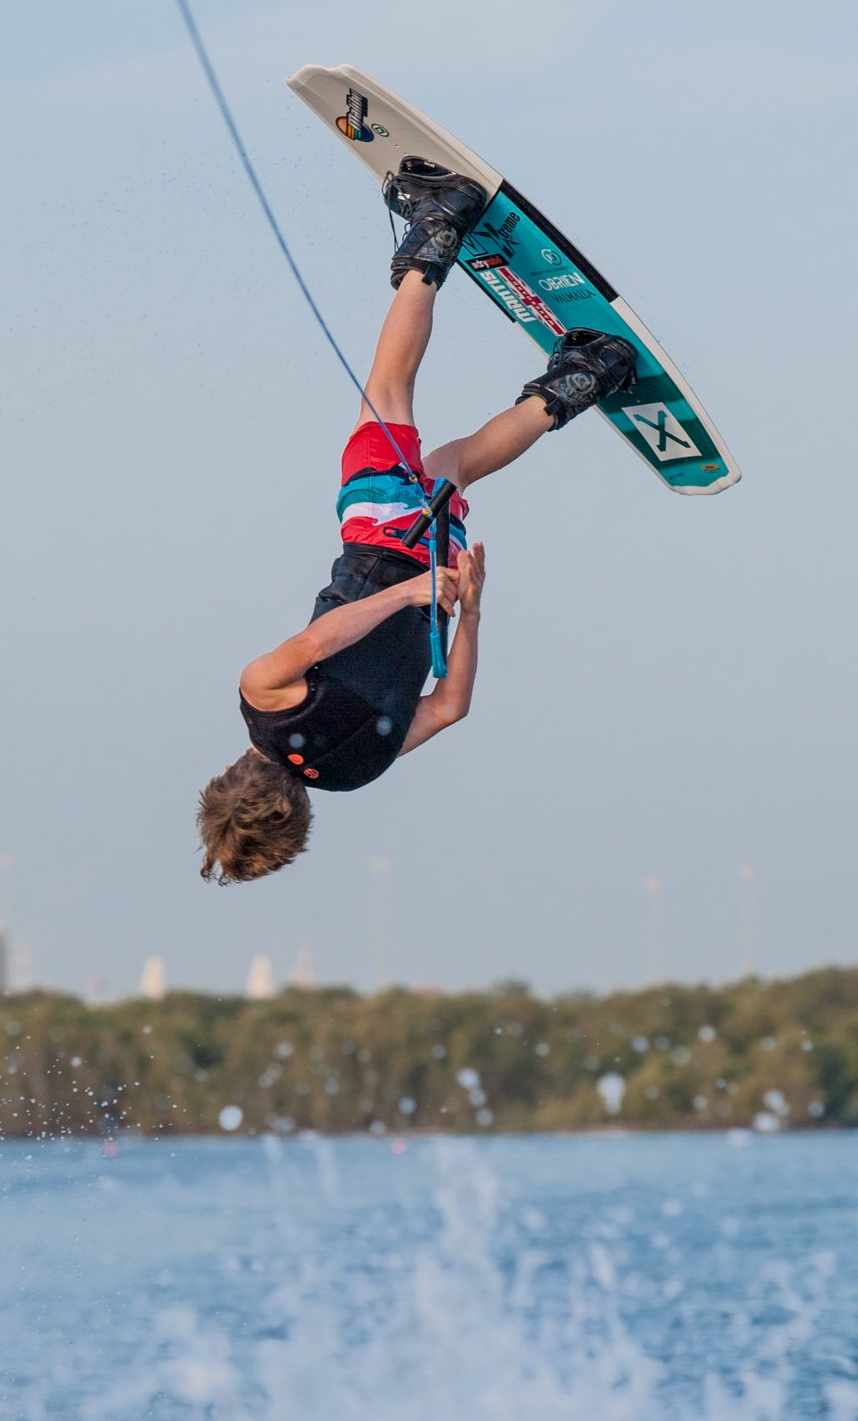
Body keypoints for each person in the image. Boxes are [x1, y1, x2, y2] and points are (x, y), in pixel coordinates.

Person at [197, 159, 635, 884]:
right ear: (225, 772)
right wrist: (404, 593)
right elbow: (317, 639)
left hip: (441, 570)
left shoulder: (357, 770)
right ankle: (438, 226)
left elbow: (450, 707)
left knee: (453, 465)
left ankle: (589, 372)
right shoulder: (262, 698)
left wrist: (467, 607)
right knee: (388, 391)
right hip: (380, 544)